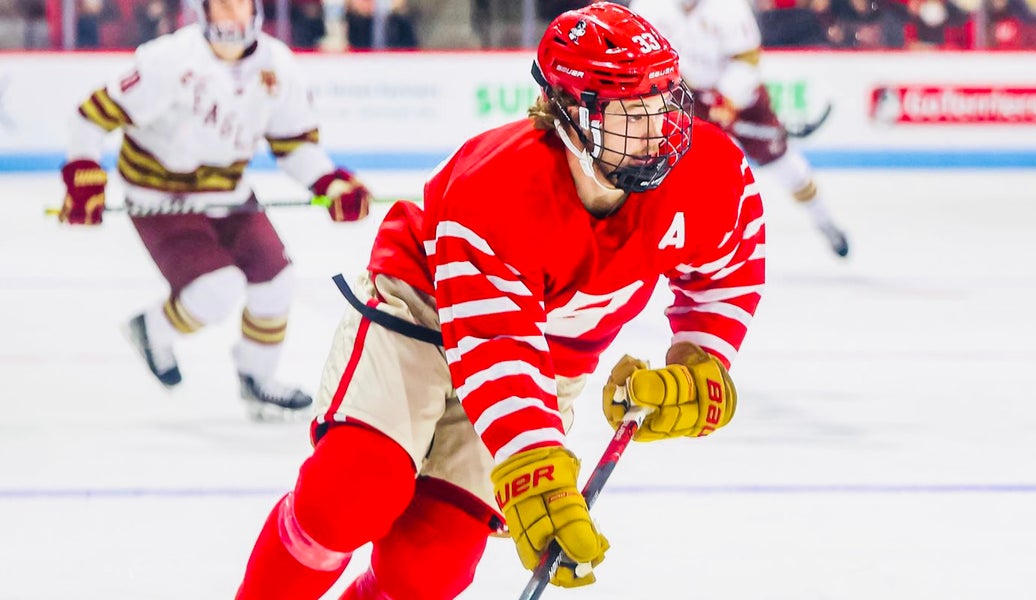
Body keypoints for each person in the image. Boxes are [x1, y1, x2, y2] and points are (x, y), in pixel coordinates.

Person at [236, 3, 763, 598]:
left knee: (429, 567)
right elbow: (495, 344)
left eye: (661, 104)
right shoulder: (497, 190)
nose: (657, 131)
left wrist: (701, 357)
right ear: (569, 116)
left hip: (548, 354)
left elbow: (727, 266)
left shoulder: (709, 171)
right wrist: (536, 468)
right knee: (349, 493)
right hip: (423, 313)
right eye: (629, 113)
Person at [58, 0, 372, 418]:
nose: (233, 16)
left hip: (229, 194)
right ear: (202, 11)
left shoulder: (278, 67)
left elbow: (295, 145)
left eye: (239, 5)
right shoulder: (168, 60)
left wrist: (330, 182)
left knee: (275, 282)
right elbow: (91, 117)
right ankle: (152, 329)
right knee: (215, 291)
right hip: (160, 199)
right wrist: (83, 170)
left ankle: (256, 378)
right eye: (222, 5)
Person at [631, 0, 851, 257]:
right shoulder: (648, 6)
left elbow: (747, 58)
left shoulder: (728, 6)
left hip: (744, 100)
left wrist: (728, 97)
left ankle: (825, 221)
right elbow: (641, 57)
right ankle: (702, 242)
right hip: (688, 98)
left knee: (787, 166)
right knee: (698, 170)